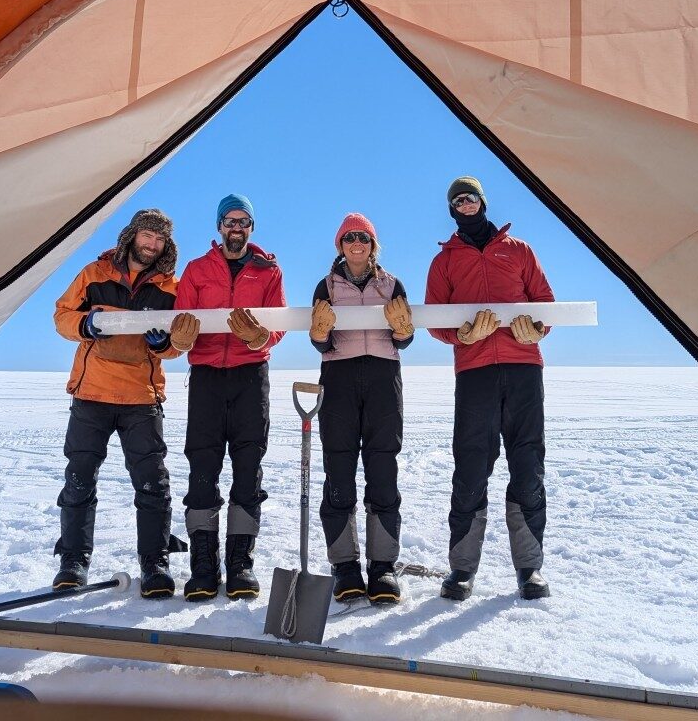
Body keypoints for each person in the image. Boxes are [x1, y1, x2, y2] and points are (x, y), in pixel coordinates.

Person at [49, 208, 198, 598]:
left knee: (153, 485)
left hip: (141, 398)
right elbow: (62, 316)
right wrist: (87, 324)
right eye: (147, 236)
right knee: (79, 479)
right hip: (92, 394)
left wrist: (160, 343)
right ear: (132, 236)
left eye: (159, 240)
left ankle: (156, 565)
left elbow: (177, 345)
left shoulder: (171, 288)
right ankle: (73, 563)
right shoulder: (93, 274)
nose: (151, 245)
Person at [425, 177, 555, 601]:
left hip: (522, 369)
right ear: (451, 209)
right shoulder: (444, 262)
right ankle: (461, 570)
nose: (465, 203)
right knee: (470, 467)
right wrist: (461, 335)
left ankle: (530, 569)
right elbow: (435, 321)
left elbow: (546, 305)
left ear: (482, 201)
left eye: (471, 197)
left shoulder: (519, 251)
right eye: (457, 199)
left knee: (528, 463)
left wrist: (535, 328)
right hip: (475, 372)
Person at [169, 194, 286, 600]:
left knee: (248, 465)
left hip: (250, 376)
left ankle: (240, 565)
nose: (236, 228)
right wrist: (180, 339)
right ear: (219, 226)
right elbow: (179, 322)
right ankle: (202, 567)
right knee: (202, 464)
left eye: (243, 221)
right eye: (229, 221)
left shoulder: (268, 270)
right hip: (206, 378)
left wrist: (261, 337)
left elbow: (279, 323)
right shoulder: (197, 270)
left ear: (251, 227)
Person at [308, 213, 414, 604]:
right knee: (338, 470)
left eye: (364, 238)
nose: (357, 243)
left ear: (373, 245)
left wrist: (404, 332)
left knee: (383, 469)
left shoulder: (392, 284)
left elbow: (403, 339)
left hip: (384, 379)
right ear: (340, 244)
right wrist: (318, 334)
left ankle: (383, 567)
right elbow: (321, 341)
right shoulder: (326, 286)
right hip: (339, 381)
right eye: (350, 237)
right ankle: (345, 568)